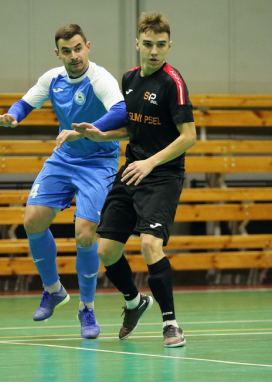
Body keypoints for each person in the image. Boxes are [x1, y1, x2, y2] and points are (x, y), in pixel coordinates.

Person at [0, 25, 127, 339]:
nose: (74, 56)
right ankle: (53, 290)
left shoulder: (100, 79)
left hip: (99, 163)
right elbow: (25, 103)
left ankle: (87, 308)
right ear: (58, 53)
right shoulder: (52, 79)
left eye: (78, 48)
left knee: (85, 233)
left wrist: (84, 130)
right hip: (65, 158)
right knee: (32, 220)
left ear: (88, 47)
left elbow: (121, 110)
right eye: (66, 51)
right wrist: (13, 117)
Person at [73, 12, 196, 347]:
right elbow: (133, 127)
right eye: (148, 44)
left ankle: (171, 324)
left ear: (169, 46)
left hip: (163, 174)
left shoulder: (173, 83)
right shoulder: (129, 79)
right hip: (132, 169)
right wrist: (101, 135)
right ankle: (134, 302)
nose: (154, 51)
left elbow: (189, 136)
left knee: (149, 244)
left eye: (161, 45)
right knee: (106, 250)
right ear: (137, 44)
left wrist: (151, 163)